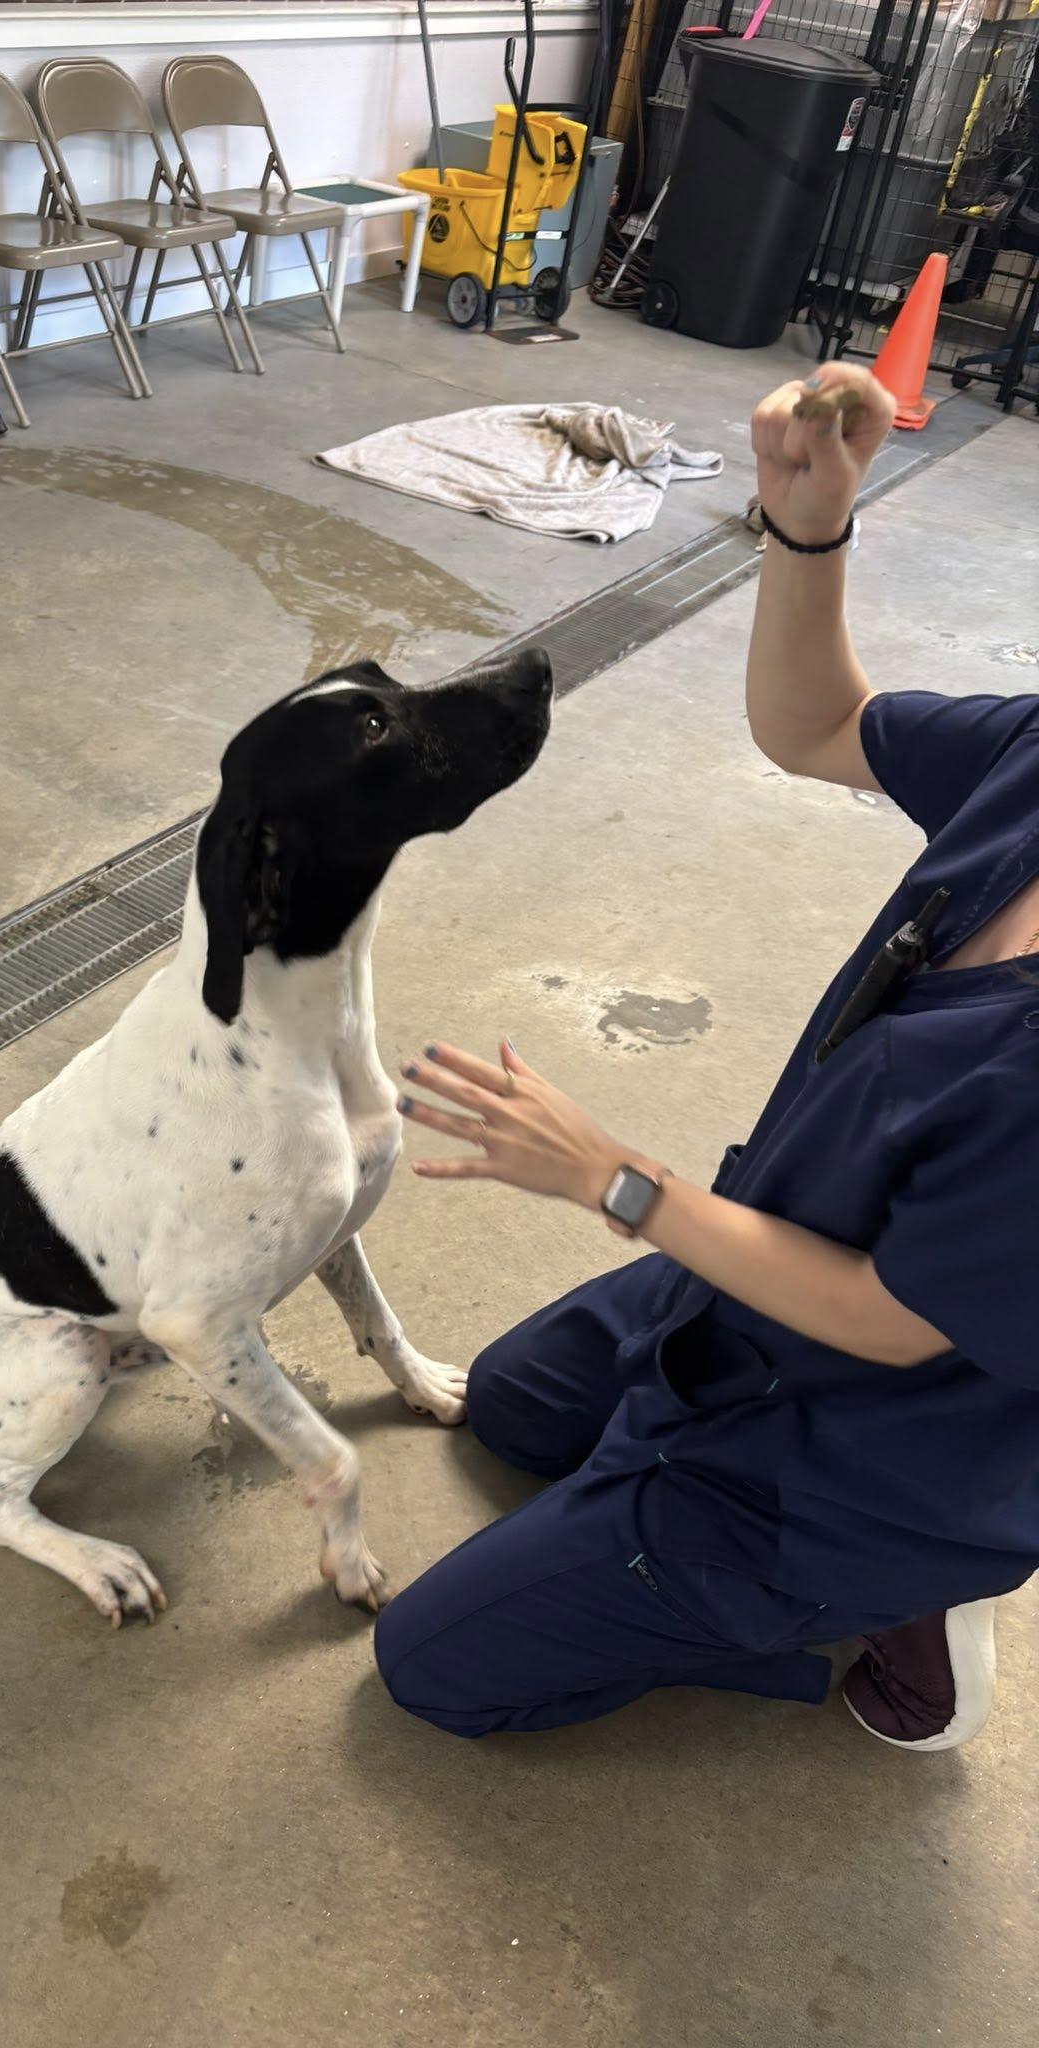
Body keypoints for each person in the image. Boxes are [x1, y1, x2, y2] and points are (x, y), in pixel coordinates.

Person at [373, 361, 1039, 1748]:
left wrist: (617, 1180)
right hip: (756, 1292)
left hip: (877, 1439)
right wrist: (808, 527)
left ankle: (873, 1621)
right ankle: (658, 1524)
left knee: (432, 1666)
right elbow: (813, 727)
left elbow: (891, 1318)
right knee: (506, 1404)